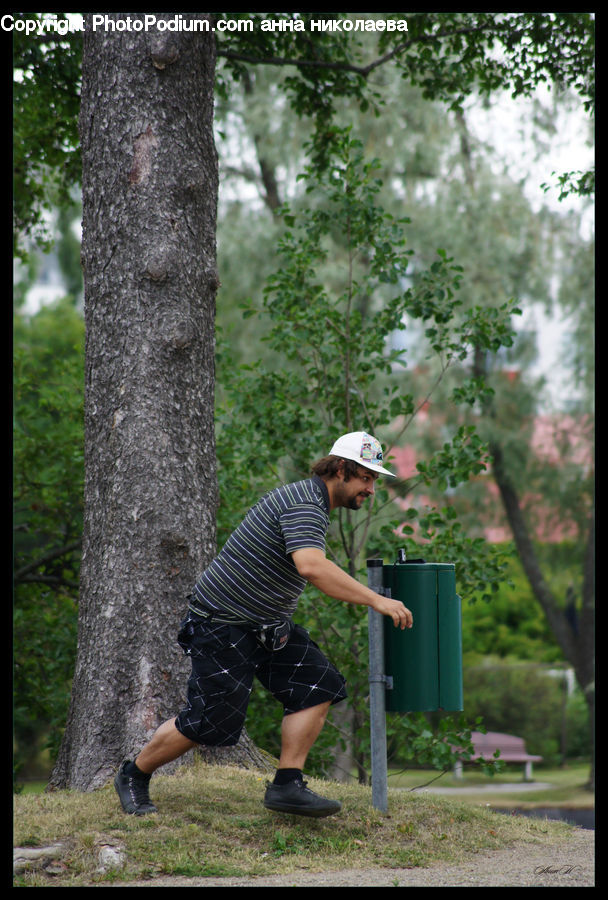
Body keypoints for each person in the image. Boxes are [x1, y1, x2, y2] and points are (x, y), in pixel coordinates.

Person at [114, 431, 413, 819]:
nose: (371, 489)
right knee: (209, 721)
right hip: (222, 623)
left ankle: (287, 785)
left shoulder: (311, 503)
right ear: (340, 469)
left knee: (318, 685)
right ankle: (133, 775)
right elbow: (312, 567)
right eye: (366, 478)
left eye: (374, 479)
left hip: (267, 625)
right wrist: (377, 599)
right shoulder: (305, 503)